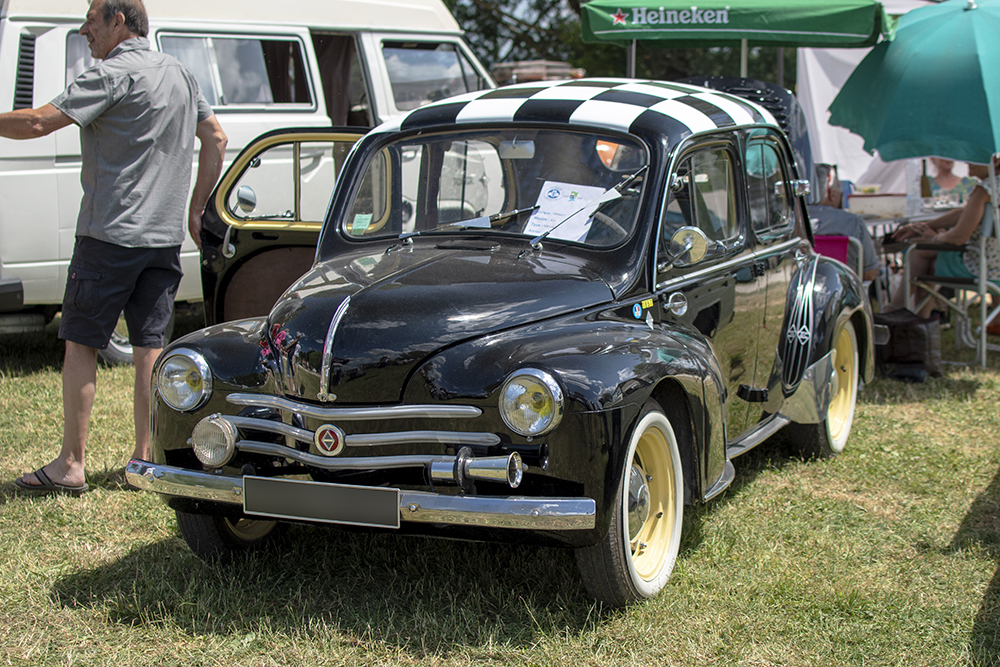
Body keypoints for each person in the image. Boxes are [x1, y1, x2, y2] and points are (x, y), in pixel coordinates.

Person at [1, 0, 228, 494]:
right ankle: (143, 460)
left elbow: (38, 123)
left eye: (90, 20)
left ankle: (70, 465)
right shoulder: (182, 75)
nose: (85, 30)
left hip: (108, 236)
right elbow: (216, 137)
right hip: (164, 241)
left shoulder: (110, 74)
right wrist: (195, 209)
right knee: (151, 347)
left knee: (80, 342)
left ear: (118, 21)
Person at [890, 157, 1000, 325]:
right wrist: (926, 226)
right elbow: (966, 213)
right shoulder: (993, 187)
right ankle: (917, 323)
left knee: (919, 251)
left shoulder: (985, 189)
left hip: (984, 268)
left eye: (974, 156)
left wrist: (932, 237)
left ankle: (896, 314)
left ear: (995, 161)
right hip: (994, 265)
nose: (967, 162)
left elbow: (958, 237)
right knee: (927, 259)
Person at [809, 164, 881, 282]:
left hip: (801, 290)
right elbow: (870, 273)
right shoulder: (852, 222)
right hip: (844, 290)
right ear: (832, 195)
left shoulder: (791, 222)